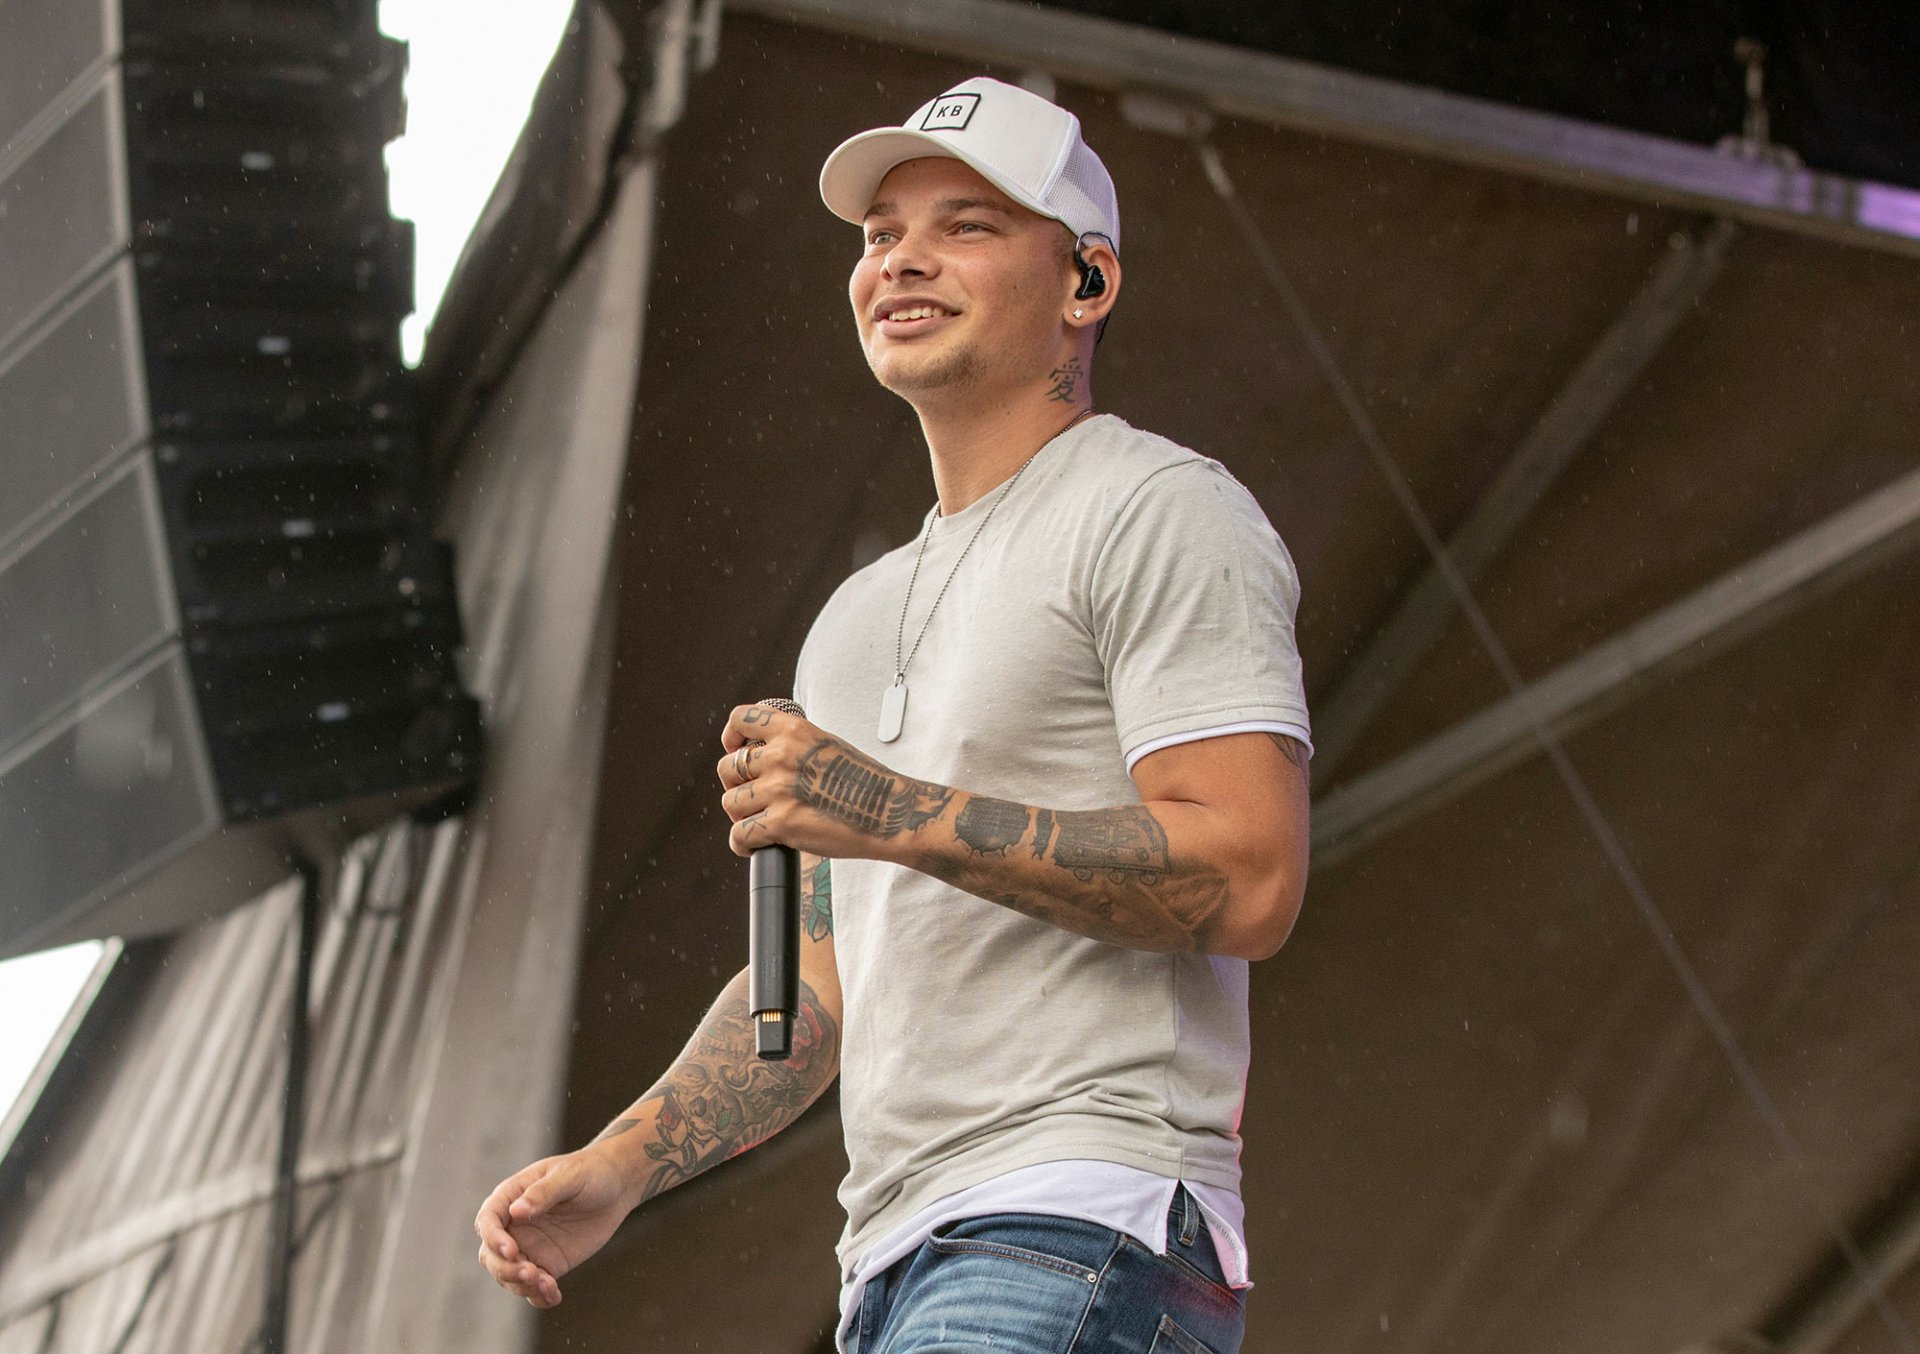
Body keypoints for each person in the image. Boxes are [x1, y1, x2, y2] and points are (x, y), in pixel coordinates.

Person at [475, 76, 1312, 1353]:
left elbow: (1250, 876)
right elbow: (814, 983)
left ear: (1085, 282)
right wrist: (623, 1162)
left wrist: (889, 809)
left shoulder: (1159, 508)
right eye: (879, 237)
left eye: (967, 225)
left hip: (1084, 1204)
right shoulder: (852, 620)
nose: (903, 259)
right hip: (892, 1252)